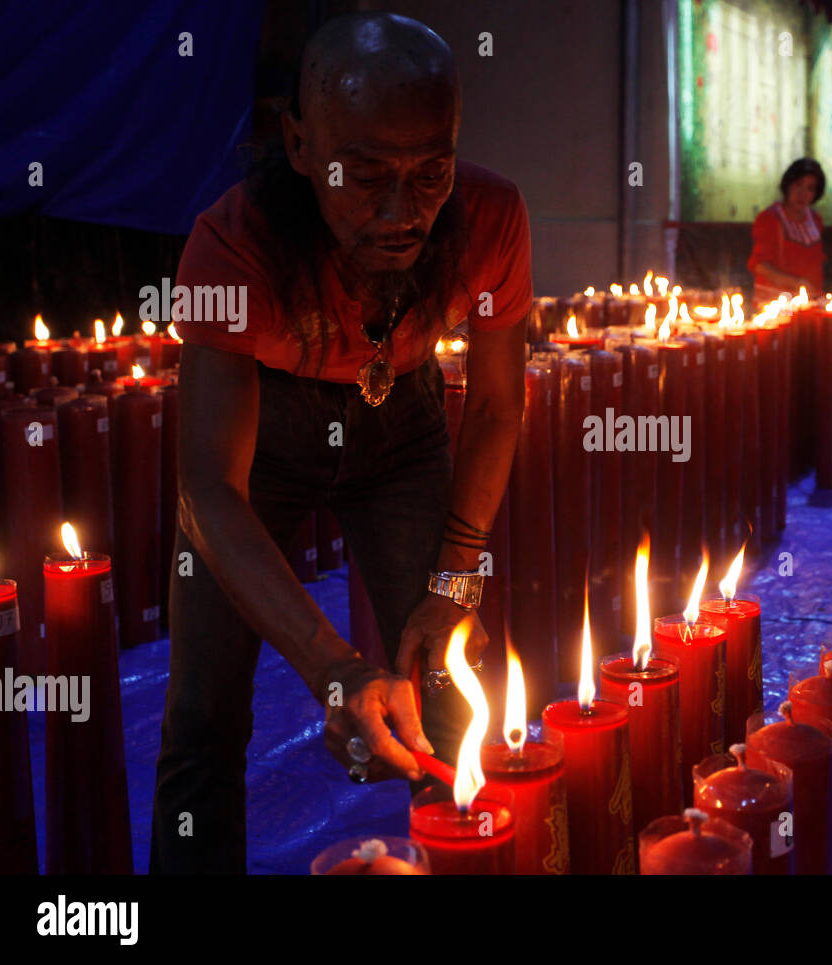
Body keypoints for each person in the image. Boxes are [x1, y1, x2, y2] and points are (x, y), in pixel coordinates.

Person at [149, 12, 530, 873]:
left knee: (443, 688)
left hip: (404, 428)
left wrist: (456, 572)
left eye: (430, 173)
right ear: (296, 141)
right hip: (264, 434)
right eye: (364, 177)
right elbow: (208, 487)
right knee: (203, 712)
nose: (402, 213)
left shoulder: (492, 216)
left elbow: (500, 403)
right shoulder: (231, 245)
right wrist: (333, 666)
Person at [746, 158, 828, 306]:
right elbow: (760, 265)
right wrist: (797, 283)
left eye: (810, 188)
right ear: (788, 185)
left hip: (810, 304)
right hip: (774, 305)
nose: (802, 194)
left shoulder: (815, 220)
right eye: (798, 185)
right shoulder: (770, 219)